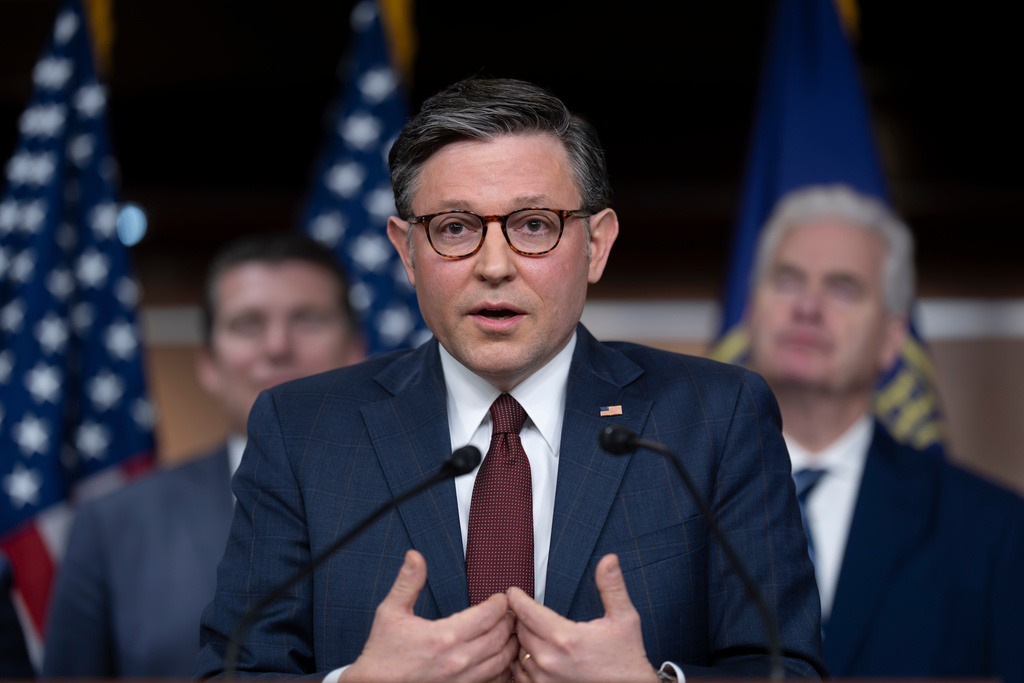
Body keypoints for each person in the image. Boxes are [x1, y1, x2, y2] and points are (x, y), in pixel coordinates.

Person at [194, 78, 825, 682]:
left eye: (532, 225)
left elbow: (789, 669)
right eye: (456, 229)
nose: (494, 267)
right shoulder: (303, 430)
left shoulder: (716, 418)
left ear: (596, 245)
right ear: (406, 252)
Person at [42, 232, 364, 678]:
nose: (277, 347)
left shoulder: (439, 496)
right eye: (247, 324)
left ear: (357, 350)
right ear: (208, 363)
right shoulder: (111, 524)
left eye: (308, 319)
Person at [745, 184, 1024, 680]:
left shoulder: (992, 530)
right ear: (751, 311)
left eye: (842, 287)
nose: (808, 306)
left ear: (892, 339)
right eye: (788, 280)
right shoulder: (665, 498)